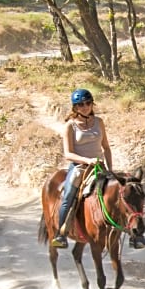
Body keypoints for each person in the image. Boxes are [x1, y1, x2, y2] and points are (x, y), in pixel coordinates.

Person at [51, 88, 113, 248]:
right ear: (75, 107)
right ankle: (61, 234)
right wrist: (87, 160)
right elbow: (68, 154)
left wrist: (110, 168)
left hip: (99, 167)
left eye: (88, 103)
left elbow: (106, 147)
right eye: (80, 105)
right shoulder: (70, 126)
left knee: (121, 191)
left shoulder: (99, 122)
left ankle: (134, 232)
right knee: (69, 196)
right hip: (79, 167)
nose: (85, 107)